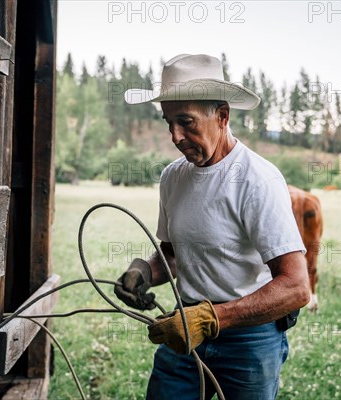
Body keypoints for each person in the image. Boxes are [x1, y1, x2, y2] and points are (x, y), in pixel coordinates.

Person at [115, 54, 310, 400]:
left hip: (250, 340)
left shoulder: (257, 180)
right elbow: (175, 255)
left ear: (222, 116)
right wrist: (143, 269)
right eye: (169, 122)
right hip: (185, 331)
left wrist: (211, 317)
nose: (175, 136)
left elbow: (295, 287)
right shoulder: (173, 177)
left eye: (186, 122)